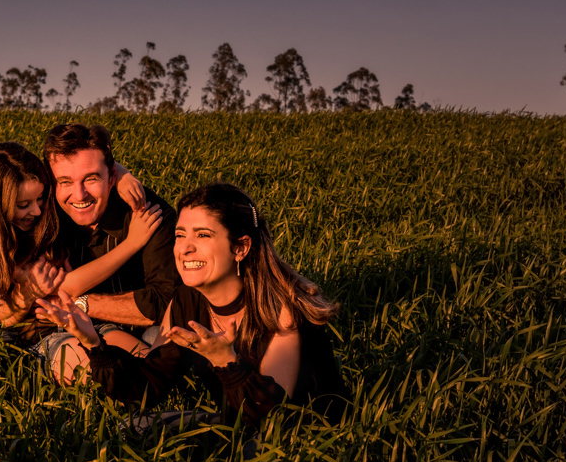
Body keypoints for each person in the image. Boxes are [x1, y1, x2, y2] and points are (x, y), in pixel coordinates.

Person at [37, 183, 348, 429]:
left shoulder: (279, 308)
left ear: (240, 247)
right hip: (233, 422)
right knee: (132, 428)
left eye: (202, 235)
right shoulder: (186, 301)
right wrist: (94, 342)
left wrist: (226, 361)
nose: (184, 248)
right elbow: (147, 388)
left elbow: (271, 421)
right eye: (180, 234)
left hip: (299, 437)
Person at [0, 141, 163, 358]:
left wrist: (123, 175)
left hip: (81, 321)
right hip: (40, 336)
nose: (37, 211)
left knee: (149, 363)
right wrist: (132, 244)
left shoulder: (44, 215)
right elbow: (68, 287)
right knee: (99, 369)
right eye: (23, 205)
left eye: (40, 198)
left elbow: (80, 167)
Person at [38, 123, 181, 381]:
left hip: (144, 330)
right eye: (65, 181)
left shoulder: (149, 213)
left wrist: (81, 304)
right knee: (75, 367)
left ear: (111, 177)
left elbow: (164, 301)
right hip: (70, 333)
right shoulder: (42, 215)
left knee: (171, 350)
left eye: (91, 179)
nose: (79, 194)